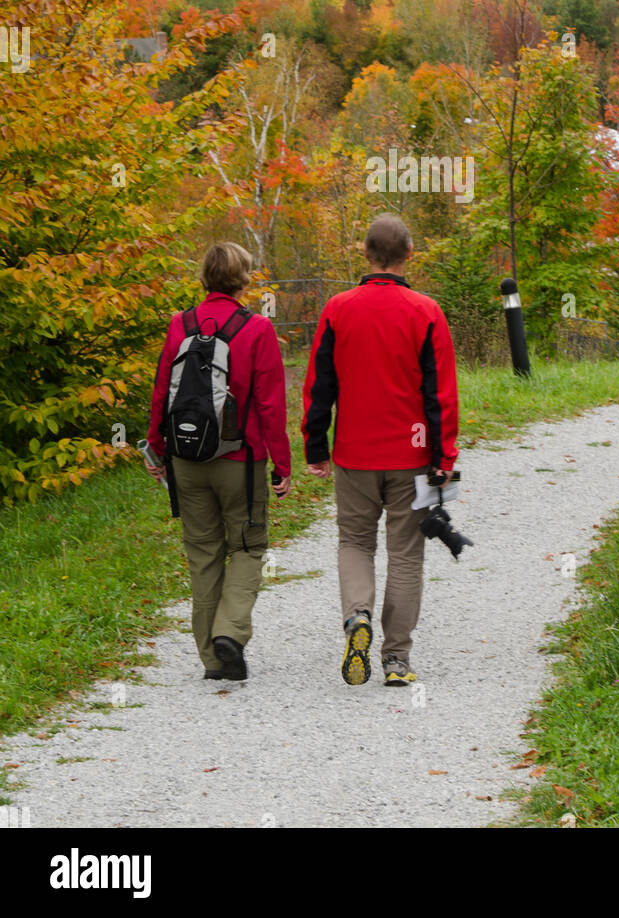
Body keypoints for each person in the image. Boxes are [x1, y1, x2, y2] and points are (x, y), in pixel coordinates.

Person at [302, 214, 459, 686]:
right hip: (411, 455)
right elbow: (441, 394)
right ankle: (396, 659)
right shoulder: (426, 311)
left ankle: (358, 617)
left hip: (354, 452)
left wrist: (315, 445)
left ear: (366, 253)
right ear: (409, 254)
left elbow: (319, 383)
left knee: (354, 541)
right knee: (406, 554)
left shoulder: (338, 308)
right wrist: (443, 458)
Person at [146, 242, 292, 681]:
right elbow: (270, 405)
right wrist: (281, 465)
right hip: (240, 461)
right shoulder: (257, 329)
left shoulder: (180, 324)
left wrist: (157, 450)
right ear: (244, 280)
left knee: (204, 554)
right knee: (247, 548)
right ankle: (230, 632)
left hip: (186, 460)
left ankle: (213, 660)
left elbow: (160, 394)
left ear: (204, 277)